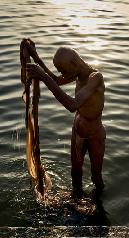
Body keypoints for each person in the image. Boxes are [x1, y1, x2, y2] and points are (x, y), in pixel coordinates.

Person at [22, 39, 106, 195]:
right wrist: (36, 57)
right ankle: (78, 201)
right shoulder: (76, 74)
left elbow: (72, 105)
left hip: (94, 135)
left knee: (96, 177)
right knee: (75, 173)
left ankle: (99, 210)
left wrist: (43, 77)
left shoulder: (96, 78)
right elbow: (55, 80)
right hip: (77, 132)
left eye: (64, 71)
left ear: (74, 64)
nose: (63, 75)